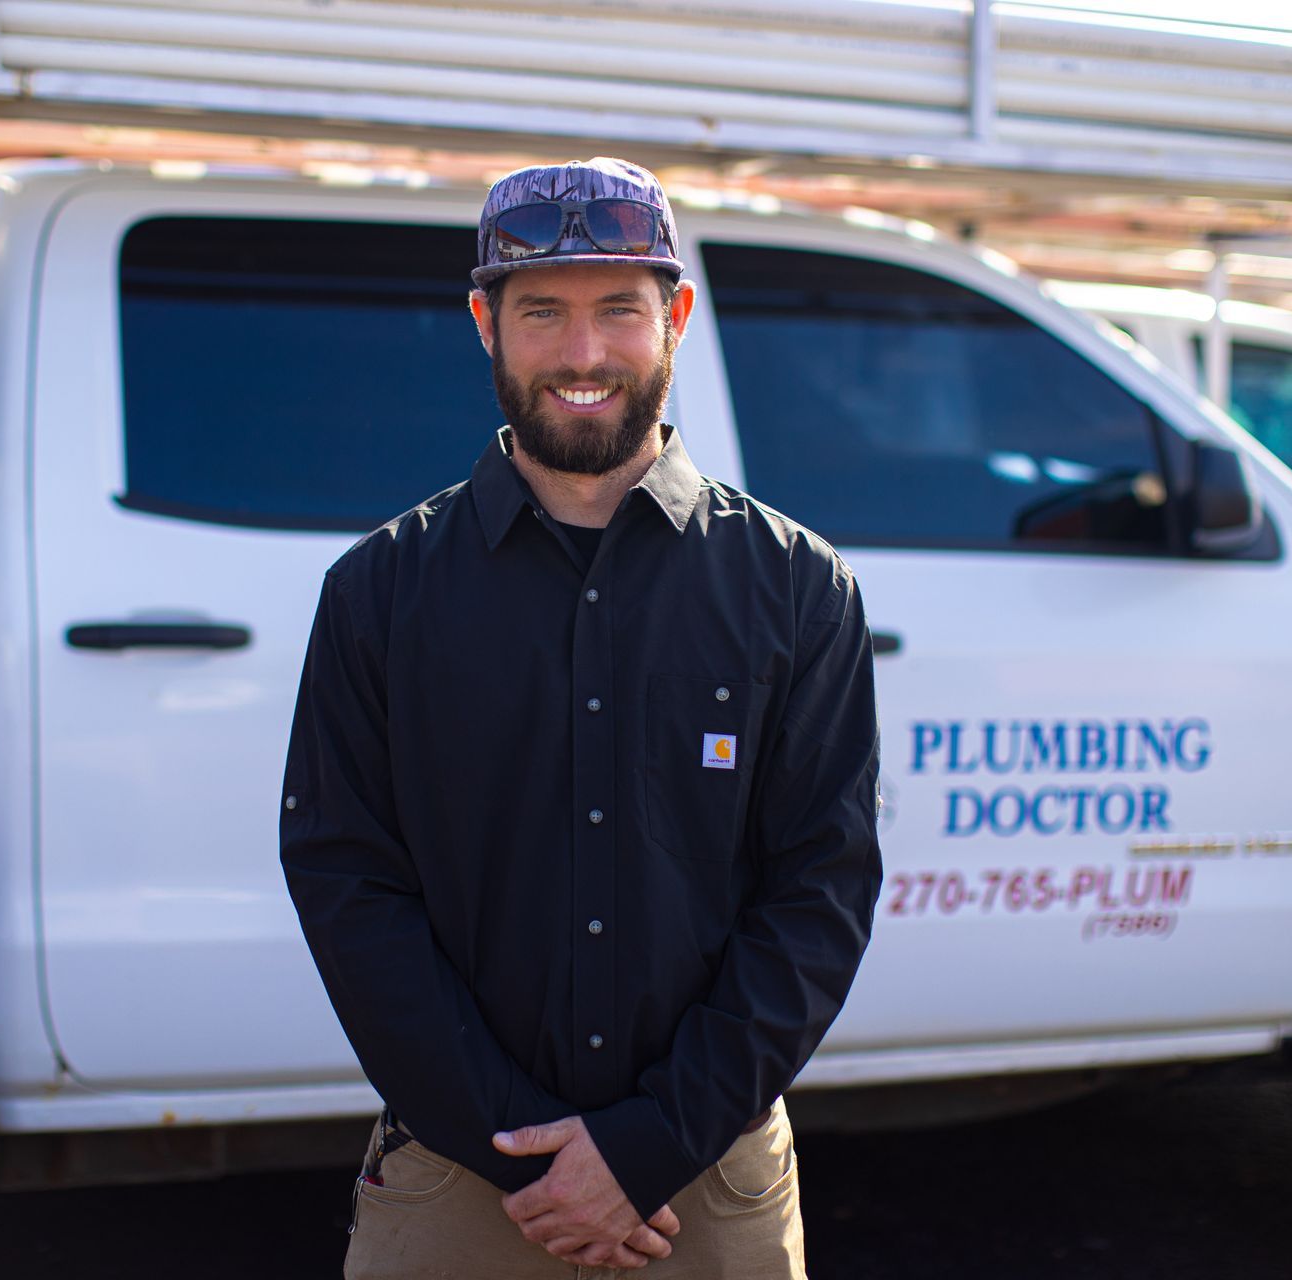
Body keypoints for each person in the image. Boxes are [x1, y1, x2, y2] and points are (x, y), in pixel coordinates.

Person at [280, 156, 882, 1278]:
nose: (585, 353)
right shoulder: (380, 592)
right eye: (543, 311)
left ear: (677, 316)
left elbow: (821, 888)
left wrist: (650, 1141)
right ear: (484, 323)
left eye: (620, 308)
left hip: (710, 1180)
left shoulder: (799, 587)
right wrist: (529, 1155)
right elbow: (349, 885)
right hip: (456, 1180)